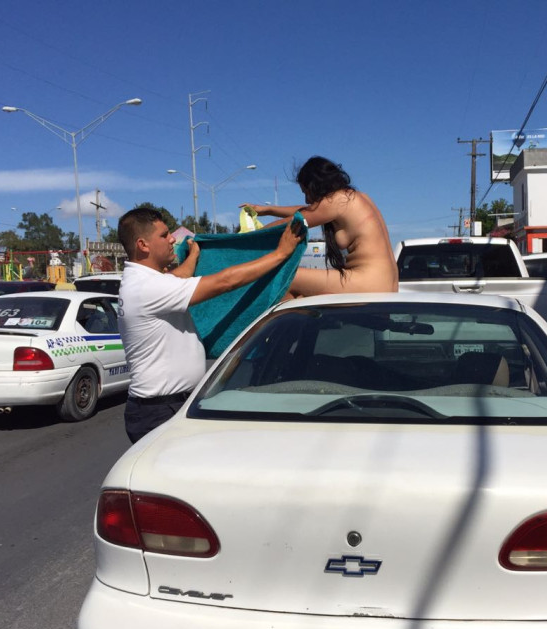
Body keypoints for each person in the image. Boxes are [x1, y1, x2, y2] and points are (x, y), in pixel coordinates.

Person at [117, 207, 303, 443]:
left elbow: (180, 277)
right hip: (159, 410)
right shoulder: (148, 288)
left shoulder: (144, 281)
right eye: (164, 235)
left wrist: (193, 256)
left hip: (166, 405)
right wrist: (280, 254)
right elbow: (226, 282)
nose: (172, 239)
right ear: (143, 245)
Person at [242, 156, 397, 298]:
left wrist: (248, 237)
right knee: (300, 295)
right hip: (387, 285)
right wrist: (268, 210)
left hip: (369, 284)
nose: (307, 199)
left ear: (316, 186)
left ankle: (280, 328)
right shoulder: (355, 197)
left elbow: (292, 222)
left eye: (306, 192)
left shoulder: (338, 201)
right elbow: (307, 211)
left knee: (285, 277)